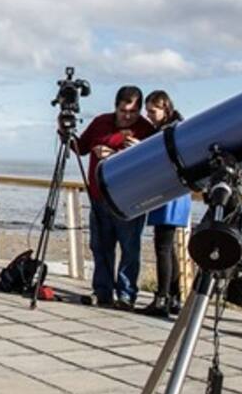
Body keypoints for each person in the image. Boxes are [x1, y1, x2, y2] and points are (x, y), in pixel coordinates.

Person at [76, 86, 155, 310]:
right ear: (116, 106)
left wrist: (140, 149)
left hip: (130, 199)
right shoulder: (100, 122)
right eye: (123, 111)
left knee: (130, 249)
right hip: (100, 197)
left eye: (133, 111)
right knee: (100, 247)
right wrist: (67, 132)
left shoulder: (146, 129)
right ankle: (102, 292)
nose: (128, 116)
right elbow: (80, 147)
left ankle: (126, 295)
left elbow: (156, 161)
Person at [139, 91, 191, 318]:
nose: (148, 116)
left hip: (169, 193)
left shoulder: (169, 132)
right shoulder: (178, 128)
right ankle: (174, 298)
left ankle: (161, 299)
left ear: (165, 108)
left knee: (163, 247)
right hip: (178, 193)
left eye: (152, 111)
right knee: (169, 249)